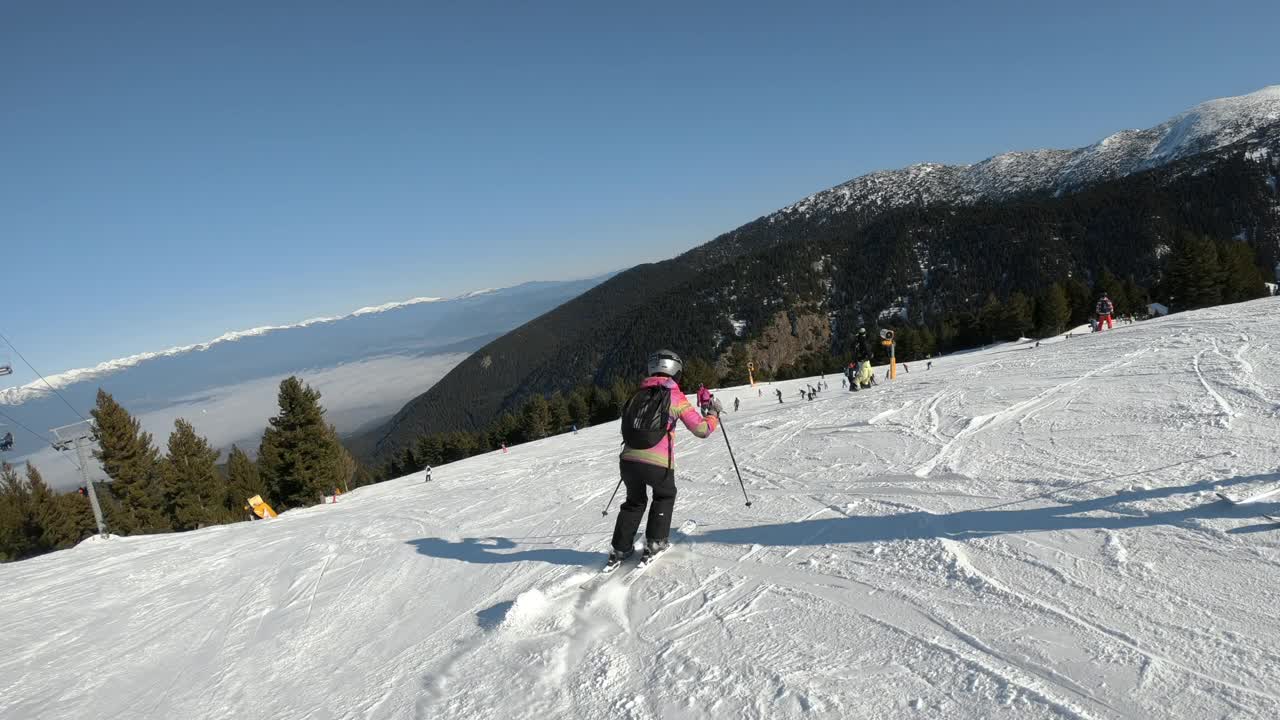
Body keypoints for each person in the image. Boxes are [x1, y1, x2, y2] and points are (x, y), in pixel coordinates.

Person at [609, 350, 720, 564]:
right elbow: (701, 430)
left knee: (634, 501)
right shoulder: (675, 396)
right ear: (676, 371)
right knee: (664, 495)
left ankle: (620, 549)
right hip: (658, 463)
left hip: (628, 460)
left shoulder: (636, 394)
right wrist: (713, 415)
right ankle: (655, 542)